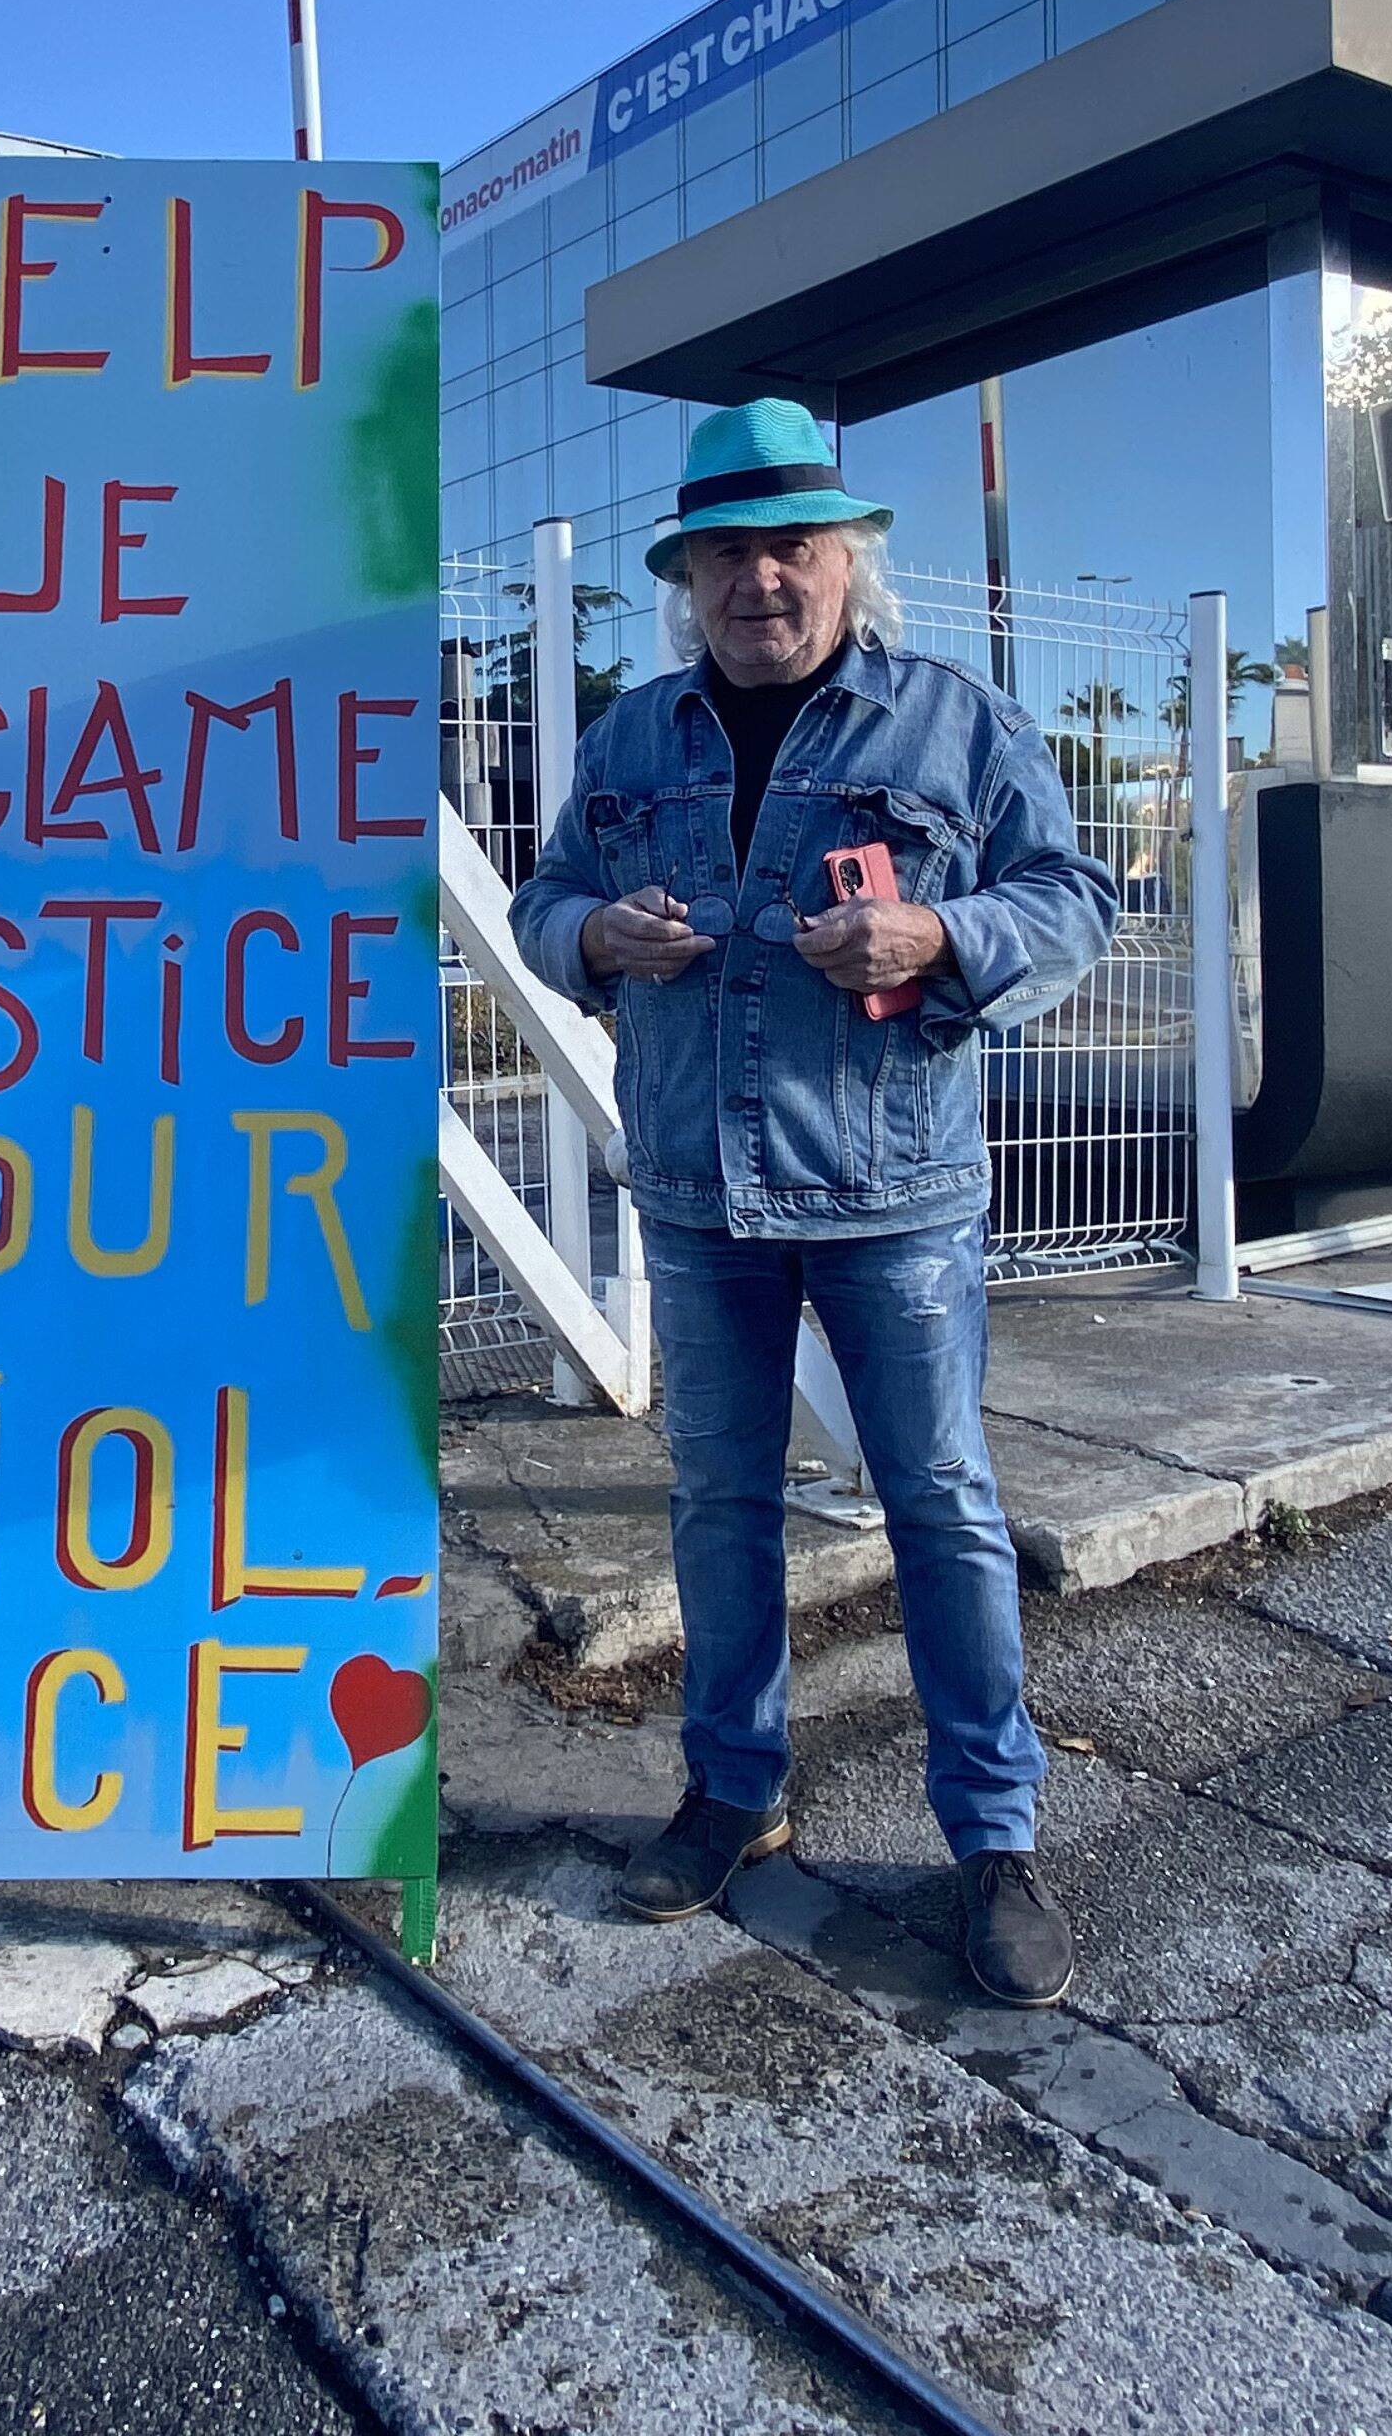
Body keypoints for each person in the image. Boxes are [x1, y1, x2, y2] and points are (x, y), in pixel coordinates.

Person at [511, 398, 1120, 2007]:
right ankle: (734, 1791)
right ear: (686, 578)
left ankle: (994, 1837)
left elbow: (1074, 900)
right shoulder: (633, 740)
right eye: (726, 552)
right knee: (719, 1501)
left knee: (941, 1502)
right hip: (698, 1188)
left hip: (894, 1191)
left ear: (849, 560)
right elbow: (545, 896)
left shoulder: (955, 724)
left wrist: (946, 937)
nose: (760, 578)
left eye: (792, 545)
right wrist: (593, 940)